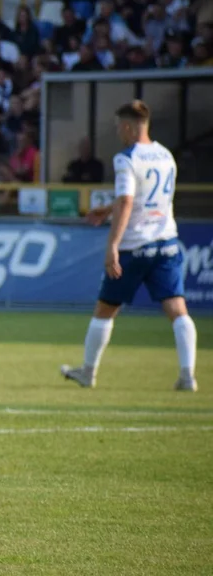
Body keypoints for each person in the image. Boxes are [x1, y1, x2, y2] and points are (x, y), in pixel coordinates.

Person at [61, 101, 198, 392]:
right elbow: (146, 198)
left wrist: (112, 245)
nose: (118, 133)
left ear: (127, 126)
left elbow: (128, 201)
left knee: (105, 310)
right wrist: (108, 208)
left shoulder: (126, 158)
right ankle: (188, 375)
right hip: (167, 243)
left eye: (118, 127)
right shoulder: (166, 156)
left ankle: (88, 372)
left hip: (134, 246)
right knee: (177, 308)